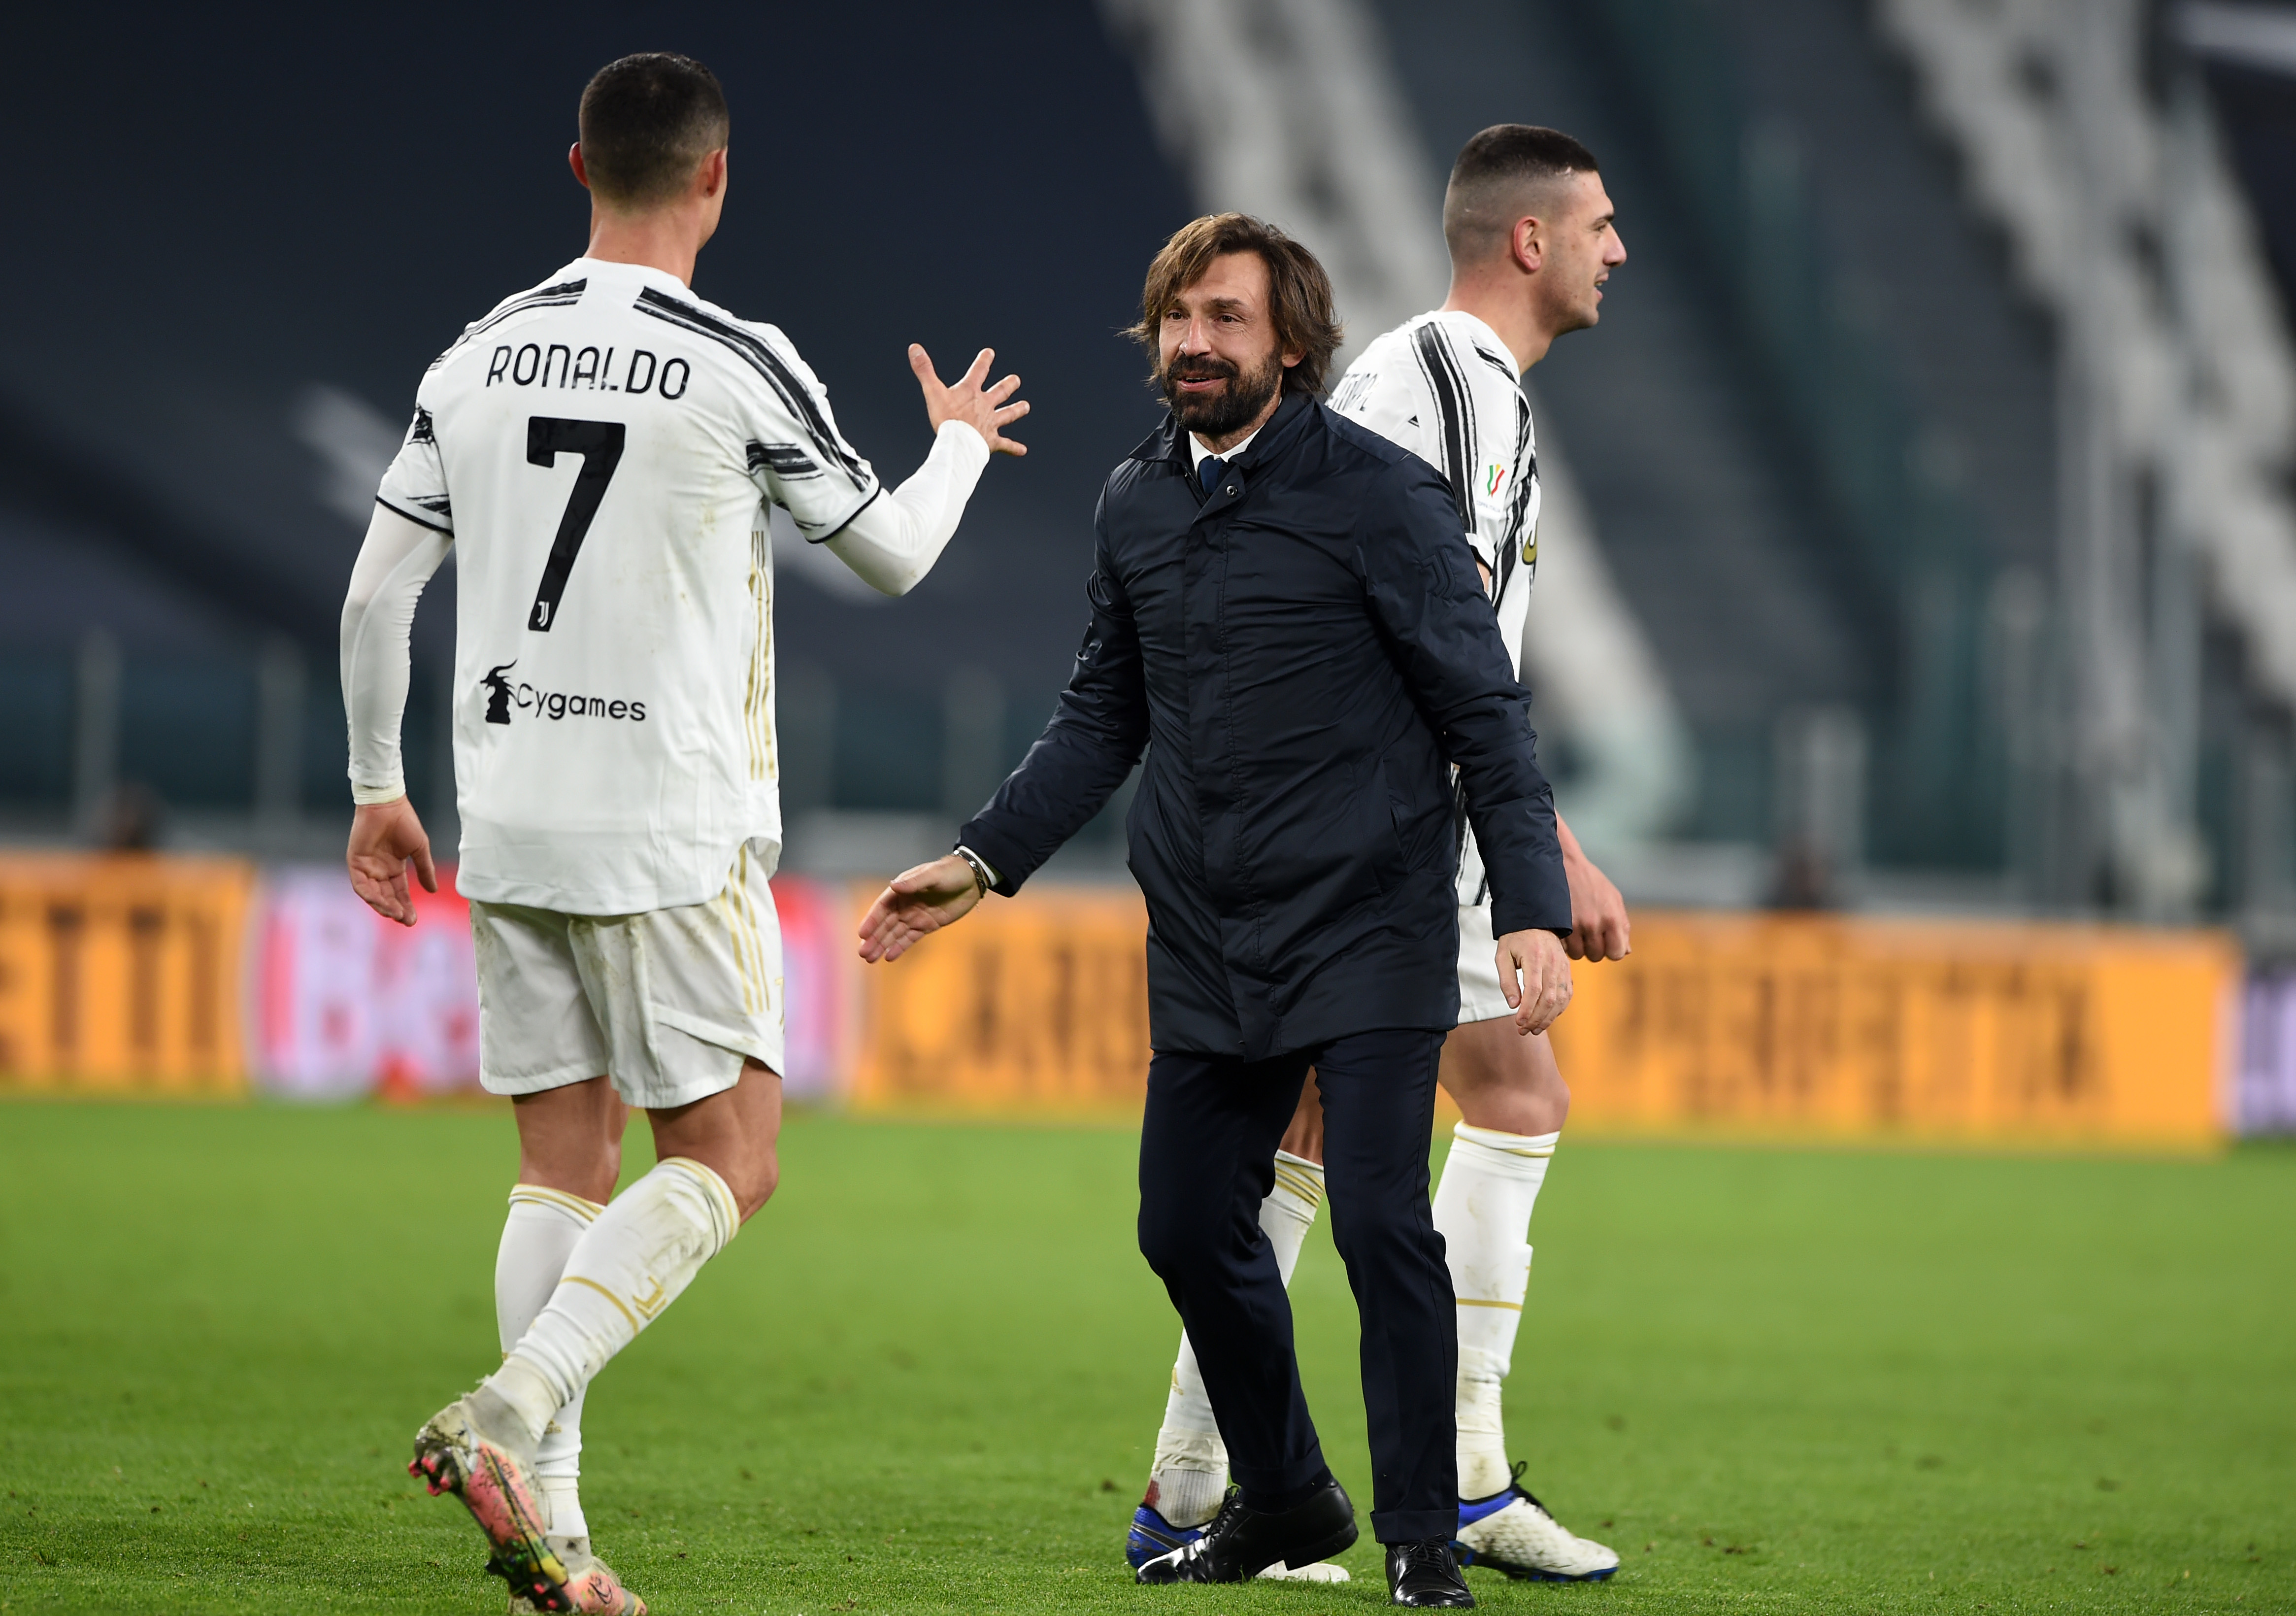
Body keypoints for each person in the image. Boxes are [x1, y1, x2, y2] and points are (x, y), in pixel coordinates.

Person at [338, 53, 1029, 1614]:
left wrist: (380, 786)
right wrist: (964, 442)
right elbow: (897, 559)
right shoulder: (737, 360)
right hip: (666, 826)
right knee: (734, 1157)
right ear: (716, 179)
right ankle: (510, 1415)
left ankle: (557, 1544)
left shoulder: (476, 355)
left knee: (556, 1166)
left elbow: (380, 592)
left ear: (575, 168)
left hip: (506, 814)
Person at [858, 212, 1574, 1610]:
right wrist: (983, 860)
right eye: (1178, 319)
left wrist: (1527, 907)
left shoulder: (1382, 497)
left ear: (1290, 345)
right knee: (1184, 1227)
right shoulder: (1136, 501)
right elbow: (1102, 714)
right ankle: (1293, 1495)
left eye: (1224, 319)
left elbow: (1485, 714)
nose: (1194, 343)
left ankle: (1424, 1538)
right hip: (1208, 933)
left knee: (1380, 1222)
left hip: (1371, 923)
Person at [1130, 124, 1635, 1585]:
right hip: (1369, 829)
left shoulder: (1467, 388)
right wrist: (1544, 849)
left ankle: (1196, 1486)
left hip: (1363, 818)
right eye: (1598, 224)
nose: (1617, 251)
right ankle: (1456, 1484)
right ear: (1527, 239)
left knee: (1338, 1133)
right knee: (1506, 1095)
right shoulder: (1437, 385)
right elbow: (1424, 640)